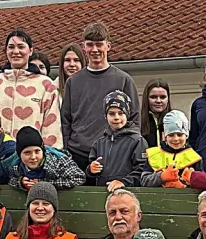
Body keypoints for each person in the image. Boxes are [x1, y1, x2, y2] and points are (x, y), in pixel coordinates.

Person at [61, 22, 138, 170]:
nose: (95, 49)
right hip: (78, 154)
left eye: (99, 44)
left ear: (108, 46)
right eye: (90, 45)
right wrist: (66, 150)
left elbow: (134, 119)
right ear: (84, 47)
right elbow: (65, 121)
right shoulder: (73, 82)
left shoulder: (124, 80)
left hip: (114, 154)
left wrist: (129, 148)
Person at [0, 29, 62, 147]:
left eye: (21, 47)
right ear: (6, 51)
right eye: (11, 47)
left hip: (31, 155)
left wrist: (49, 154)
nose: (16, 51)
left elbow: (52, 127)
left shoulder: (45, 85)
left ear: (30, 51)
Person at [86, 91, 150, 189]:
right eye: (111, 114)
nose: (116, 117)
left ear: (127, 114)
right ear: (105, 116)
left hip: (127, 193)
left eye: (121, 113)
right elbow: (90, 172)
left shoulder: (137, 141)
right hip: (103, 193)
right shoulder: (99, 143)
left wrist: (124, 182)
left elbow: (143, 170)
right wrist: (91, 170)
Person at [5, 125, 86, 190]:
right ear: (19, 154)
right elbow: (9, 179)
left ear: (42, 150)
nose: (33, 157)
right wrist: (21, 183)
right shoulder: (15, 165)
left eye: (37, 151)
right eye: (27, 153)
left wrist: (45, 184)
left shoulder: (59, 161)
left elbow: (79, 178)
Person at [144, 110, 202, 186]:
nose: (176, 139)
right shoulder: (154, 155)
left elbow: (202, 184)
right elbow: (144, 180)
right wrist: (161, 177)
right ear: (165, 136)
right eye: (171, 135)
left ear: (186, 135)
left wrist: (194, 180)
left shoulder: (194, 157)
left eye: (180, 135)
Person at [140, 79, 172, 149]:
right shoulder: (137, 123)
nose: (158, 101)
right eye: (153, 97)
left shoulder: (176, 121)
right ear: (146, 98)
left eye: (163, 97)